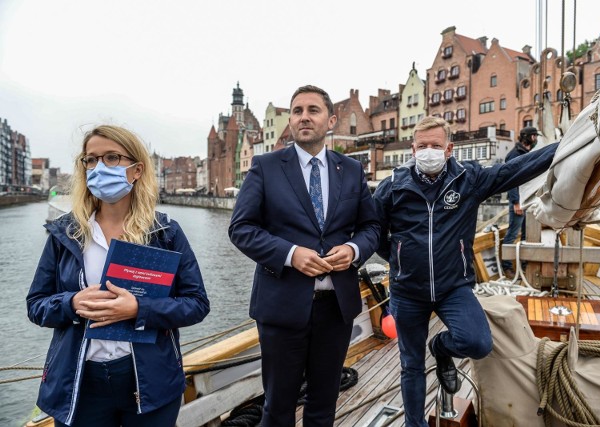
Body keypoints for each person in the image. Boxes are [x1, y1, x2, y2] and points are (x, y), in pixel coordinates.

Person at [373, 116, 557, 427]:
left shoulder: (468, 180)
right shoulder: (392, 187)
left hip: (453, 287)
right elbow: (376, 232)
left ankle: (440, 346)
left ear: (449, 148)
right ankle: (414, 424)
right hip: (407, 290)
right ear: (412, 148)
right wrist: (398, 258)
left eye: (435, 145)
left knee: (477, 343)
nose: (428, 151)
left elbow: (514, 170)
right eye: (422, 146)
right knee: (411, 365)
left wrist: (562, 148)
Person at [26, 125, 210, 427]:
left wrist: (140, 310)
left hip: (148, 380)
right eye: (91, 160)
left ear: (136, 170)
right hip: (80, 381)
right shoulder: (66, 234)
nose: (99, 167)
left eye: (112, 158)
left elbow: (196, 303)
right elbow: (36, 304)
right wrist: (72, 303)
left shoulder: (164, 232)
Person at [229, 85, 380, 426]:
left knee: (324, 405)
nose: (303, 117)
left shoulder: (351, 170)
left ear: (331, 120)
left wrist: (354, 249)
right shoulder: (265, 167)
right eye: (297, 111)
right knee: (278, 407)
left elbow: (371, 227)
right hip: (282, 308)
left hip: (336, 309)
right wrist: (290, 254)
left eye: (313, 110)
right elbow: (241, 228)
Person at [501, 126, 541, 278]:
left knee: (526, 235)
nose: (536, 139)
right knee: (512, 234)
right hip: (518, 202)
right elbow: (511, 180)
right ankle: (507, 268)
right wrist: (516, 202)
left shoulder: (526, 153)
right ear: (528, 138)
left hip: (527, 200)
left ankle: (524, 265)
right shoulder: (514, 155)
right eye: (534, 136)